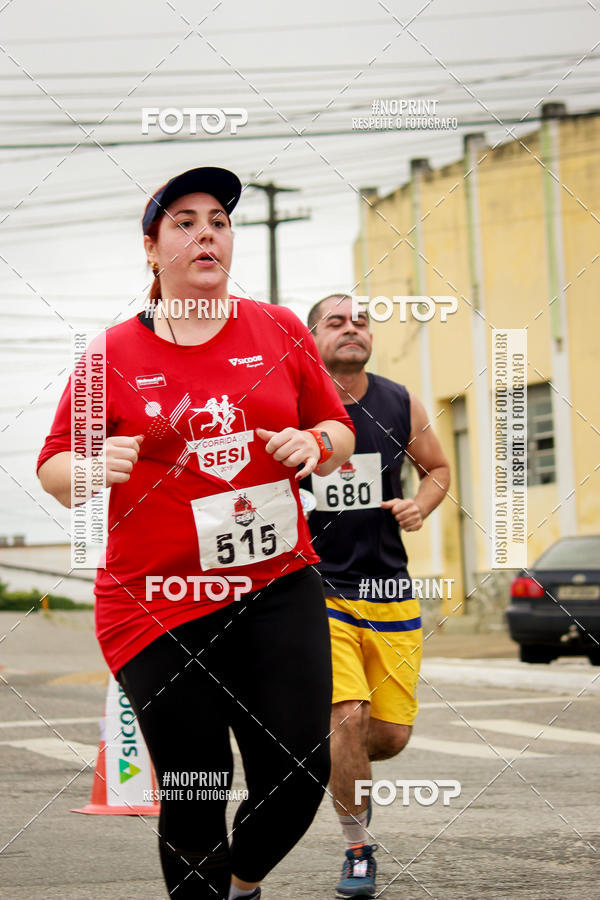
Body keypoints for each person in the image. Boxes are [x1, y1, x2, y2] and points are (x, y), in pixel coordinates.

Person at [36, 169, 355, 900]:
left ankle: (239, 886)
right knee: (196, 786)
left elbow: (335, 427)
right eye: (183, 222)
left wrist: (316, 445)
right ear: (152, 249)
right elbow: (52, 469)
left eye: (218, 219)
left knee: (299, 775)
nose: (206, 231)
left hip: (274, 584)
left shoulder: (278, 328)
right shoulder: (111, 353)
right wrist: (91, 466)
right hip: (157, 601)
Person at [303, 293, 450, 898]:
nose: (351, 329)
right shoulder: (293, 401)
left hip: (389, 590)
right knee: (347, 715)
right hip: (320, 588)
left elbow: (437, 469)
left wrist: (419, 505)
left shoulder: (399, 400)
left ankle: (329, 754)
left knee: (387, 737)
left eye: (360, 321)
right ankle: (358, 848)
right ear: (311, 337)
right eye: (335, 322)